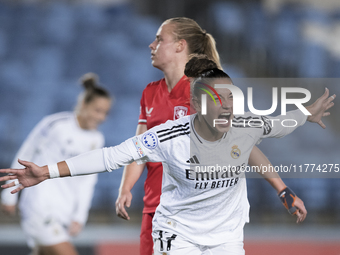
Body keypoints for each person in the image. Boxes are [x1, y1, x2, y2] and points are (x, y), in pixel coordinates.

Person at [0, 61, 335, 254]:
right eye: (219, 98)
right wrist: (46, 171)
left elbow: (282, 122)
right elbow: (109, 157)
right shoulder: (168, 136)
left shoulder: (246, 126)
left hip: (226, 237)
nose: (229, 105)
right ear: (199, 104)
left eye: (231, 97)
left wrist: (308, 113)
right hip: (179, 233)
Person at [115, 17, 222, 255]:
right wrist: (126, 188)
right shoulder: (150, 93)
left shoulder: (205, 91)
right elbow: (139, 149)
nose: (151, 45)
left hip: (190, 212)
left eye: (159, 39)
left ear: (179, 46)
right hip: (153, 209)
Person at [0, 73, 112, 255]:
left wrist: (79, 216)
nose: (101, 117)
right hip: (40, 205)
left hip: (63, 212)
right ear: (84, 104)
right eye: (97, 110)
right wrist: (9, 195)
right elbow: (25, 154)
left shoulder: (97, 139)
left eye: (105, 113)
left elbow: (88, 181)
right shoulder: (56, 125)